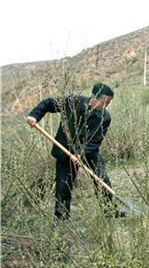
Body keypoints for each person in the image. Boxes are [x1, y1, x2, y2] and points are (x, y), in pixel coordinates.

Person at [26, 83, 122, 219]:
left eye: (109, 102)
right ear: (94, 96)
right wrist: (34, 116)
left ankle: (110, 211)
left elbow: (95, 140)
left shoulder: (104, 118)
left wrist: (80, 153)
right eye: (104, 101)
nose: (106, 105)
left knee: (101, 179)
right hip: (65, 151)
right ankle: (61, 217)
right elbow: (48, 103)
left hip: (89, 152)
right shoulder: (73, 102)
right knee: (63, 185)